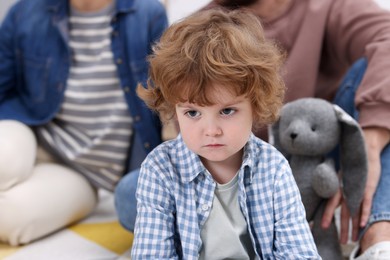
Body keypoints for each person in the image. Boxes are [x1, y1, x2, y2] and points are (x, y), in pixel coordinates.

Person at [205, 0, 390, 259]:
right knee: (130, 192)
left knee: (375, 74)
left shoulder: (328, 5)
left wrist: (368, 144)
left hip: (337, 155)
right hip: (255, 173)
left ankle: (378, 237)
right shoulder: (204, 27)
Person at [130, 9, 321, 259]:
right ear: (174, 109)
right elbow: (151, 255)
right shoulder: (160, 169)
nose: (211, 130)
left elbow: (299, 253)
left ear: (255, 105)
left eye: (227, 111)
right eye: (193, 113)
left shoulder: (274, 169)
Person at [0, 0, 168, 246]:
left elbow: (168, 96)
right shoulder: (26, 11)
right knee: (3, 159)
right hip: (32, 133)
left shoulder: (147, 13)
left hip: (89, 175)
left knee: (12, 219)